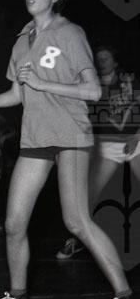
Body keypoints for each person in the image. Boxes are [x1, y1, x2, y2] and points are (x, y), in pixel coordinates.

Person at [0, 0, 140, 299]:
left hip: (70, 134)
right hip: (35, 138)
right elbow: (16, 94)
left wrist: (45, 85)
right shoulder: (22, 40)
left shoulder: (70, 33)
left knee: (76, 221)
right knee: (13, 224)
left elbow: (93, 90)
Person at [56, 45, 140, 259]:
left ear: (115, 62)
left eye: (106, 58)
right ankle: (77, 240)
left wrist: (136, 135)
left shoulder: (129, 81)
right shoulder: (90, 86)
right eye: (98, 59)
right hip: (107, 146)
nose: (101, 62)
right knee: (88, 196)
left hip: (136, 140)